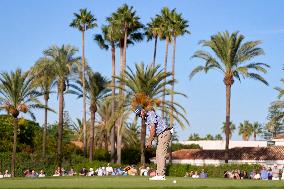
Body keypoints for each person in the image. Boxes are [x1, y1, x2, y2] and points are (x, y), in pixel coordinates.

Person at [135, 105, 173, 181]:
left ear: (143, 110)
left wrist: (149, 141)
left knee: (160, 154)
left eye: (140, 113)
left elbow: (153, 129)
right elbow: (153, 131)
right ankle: (159, 174)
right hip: (162, 134)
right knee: (158, 154)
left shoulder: (150, 114)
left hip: (164, 133)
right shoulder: (147, 118)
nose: (140, 115)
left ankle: (161, 175)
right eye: (138, 115)